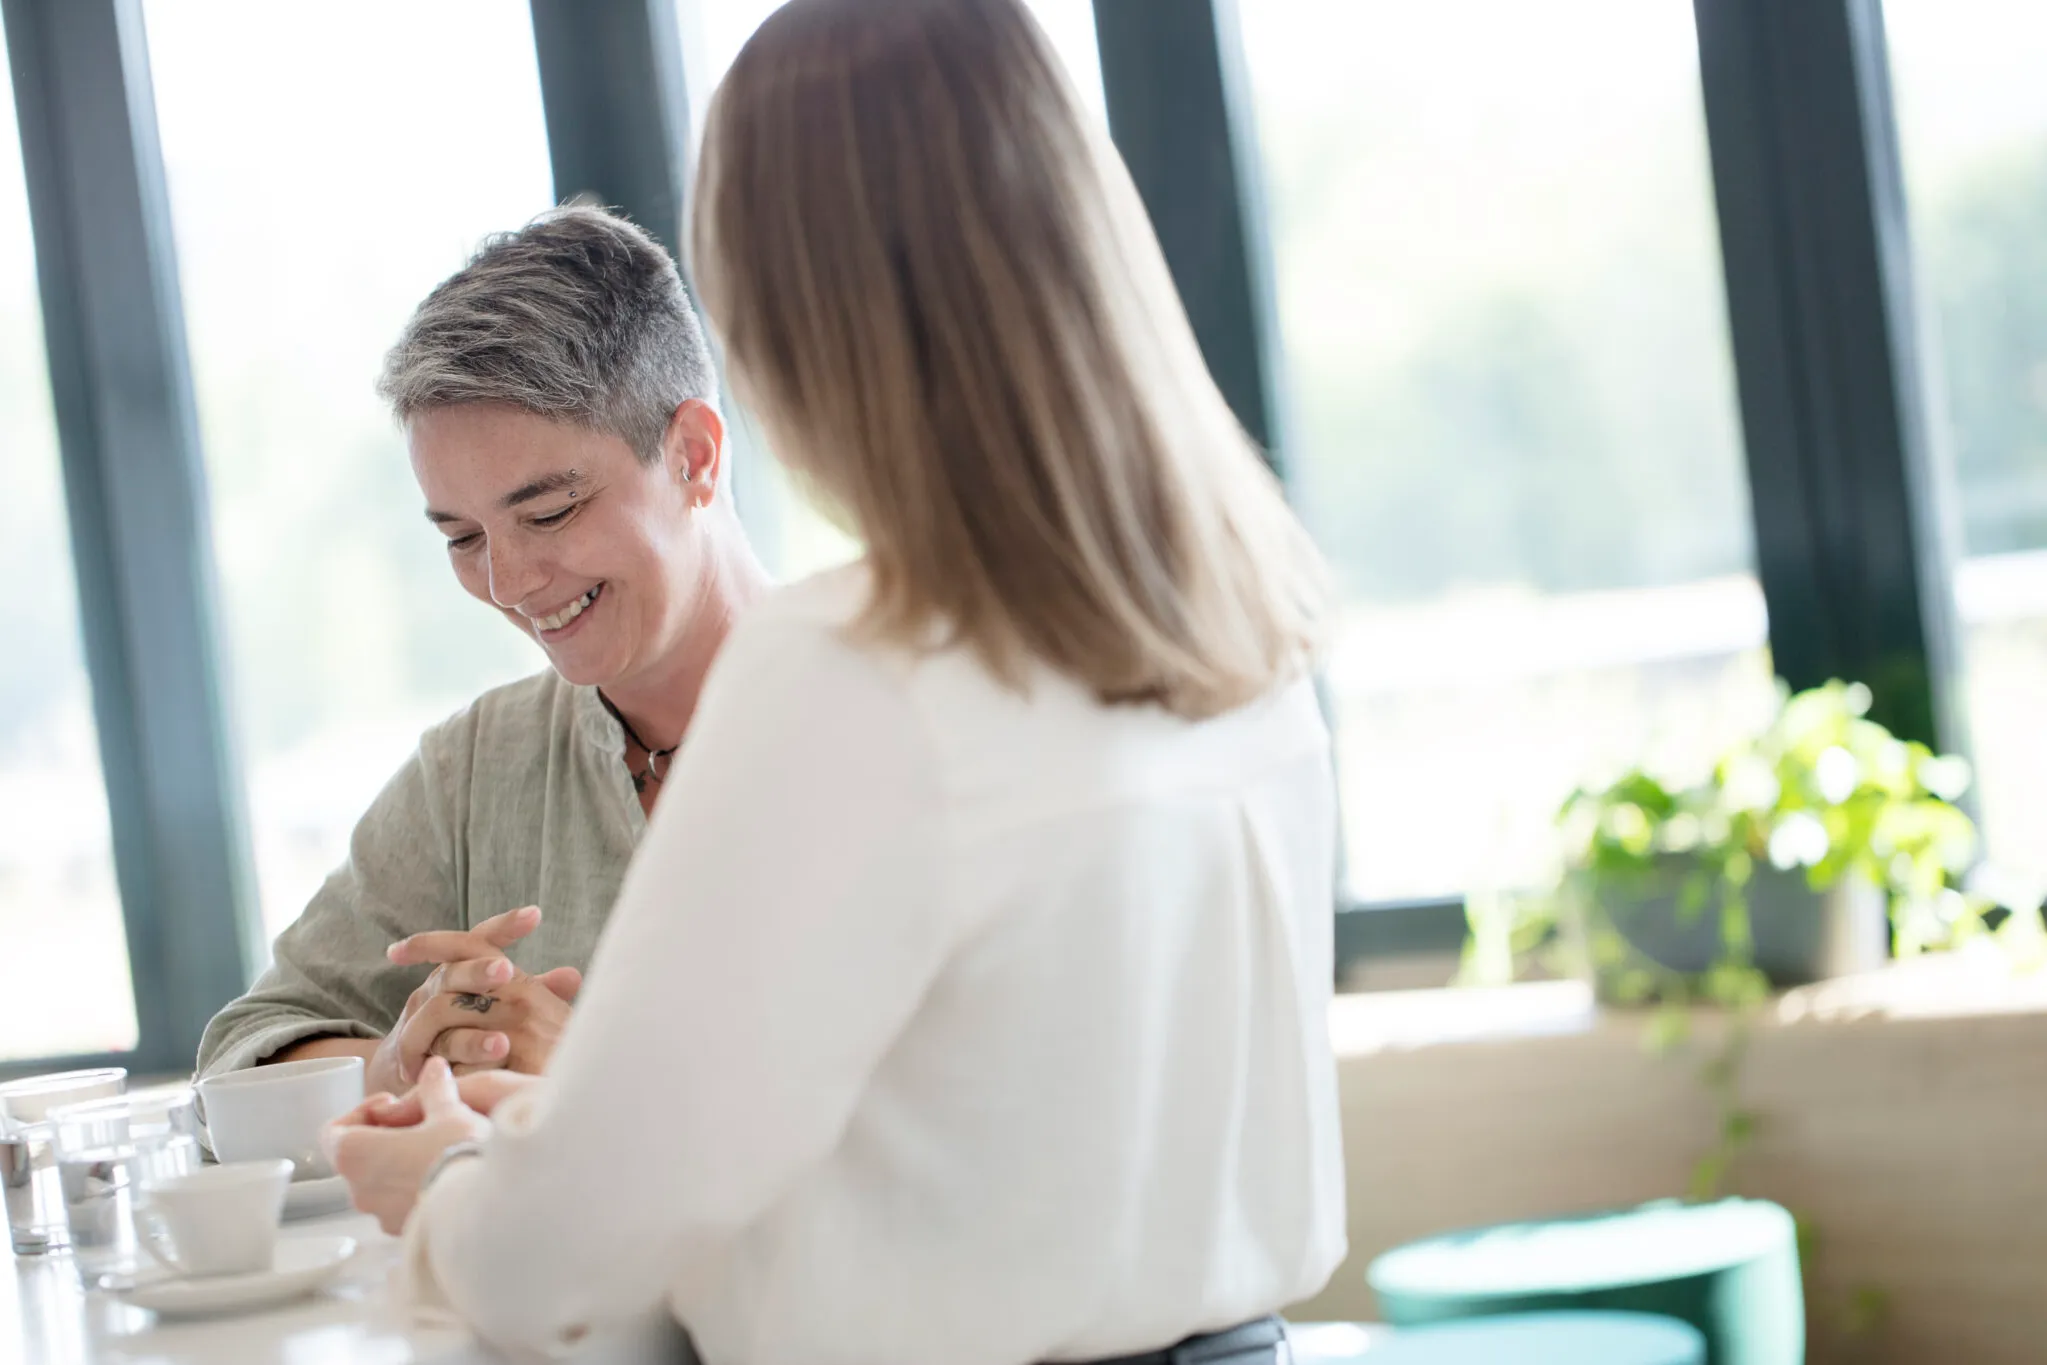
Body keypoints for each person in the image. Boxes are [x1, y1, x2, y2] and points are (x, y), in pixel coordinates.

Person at [323, 1, 1345, 1362]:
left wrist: (448, 1182)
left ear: (785, 313)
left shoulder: (850, 671)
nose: (506, 576)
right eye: (461, 534)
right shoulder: (1229, 621)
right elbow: (988, 1152)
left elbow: (548, 1258)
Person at [195, 208, 773, 1096]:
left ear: (694, 455)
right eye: (463, 537)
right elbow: (245, 1048)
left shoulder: (887, 714)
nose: (507, 584)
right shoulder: (474, 771)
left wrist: (586, 1083)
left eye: (548, 513)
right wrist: (402, 1061)